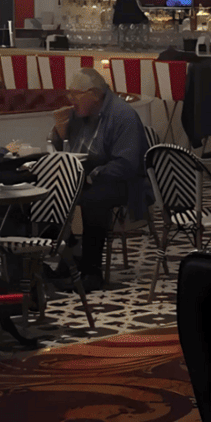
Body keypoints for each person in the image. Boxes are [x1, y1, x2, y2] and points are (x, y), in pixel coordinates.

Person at [51, 68, 148, 291]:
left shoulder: (122, 115)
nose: (70, 99)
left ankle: (91, 272)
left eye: (75, 93)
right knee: (48, 196)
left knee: (93, 199)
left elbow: (127, 164)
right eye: (69, 93)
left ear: (94, 93)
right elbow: (65, 154)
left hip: (124, 182)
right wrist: (60, 132)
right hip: (86, 178)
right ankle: (70, 257)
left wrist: (92, 176)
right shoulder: (78, 114)